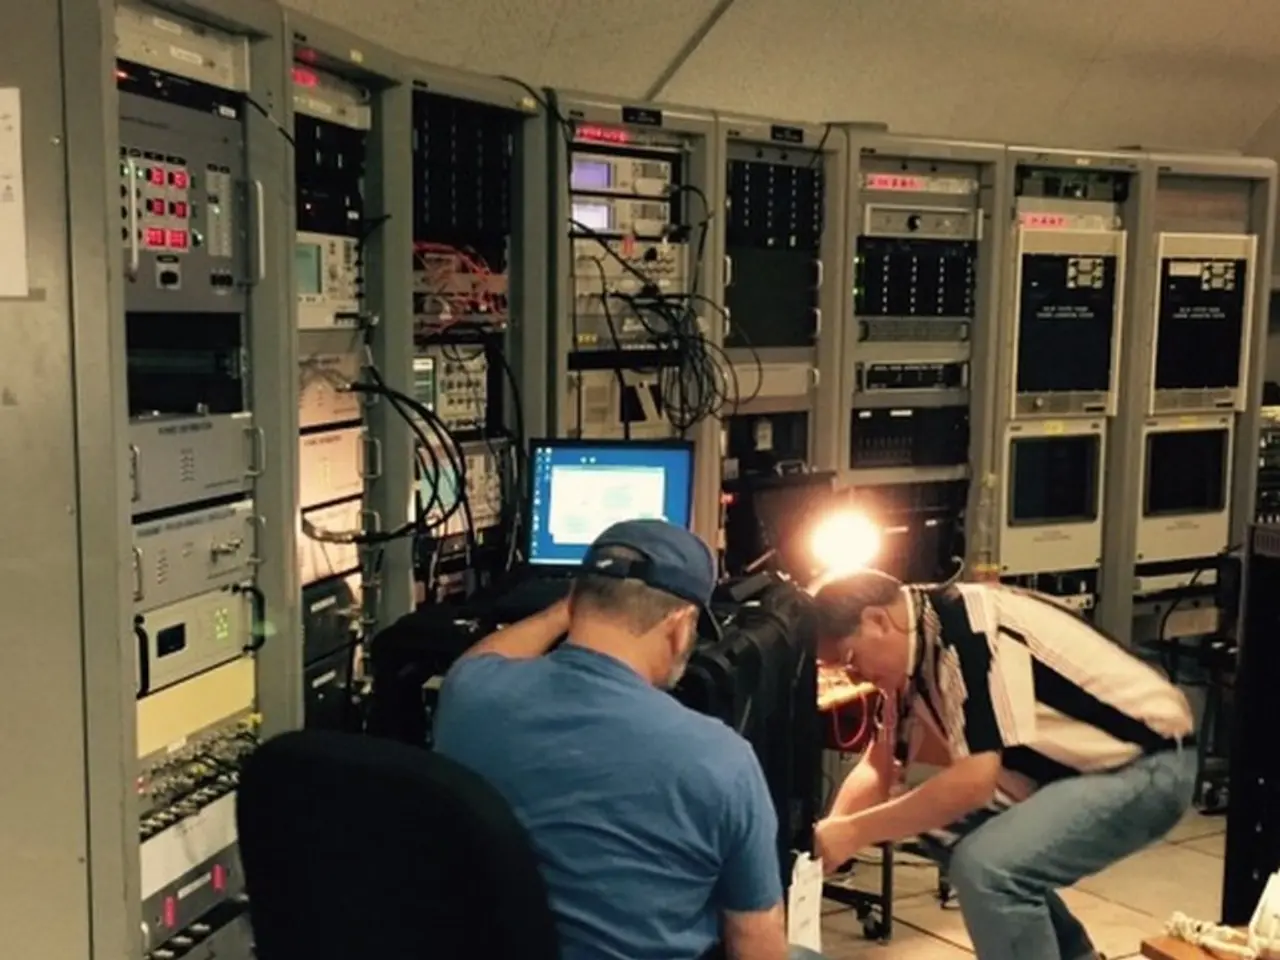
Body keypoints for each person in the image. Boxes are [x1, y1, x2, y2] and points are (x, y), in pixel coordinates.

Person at [434, 519, 821, 960]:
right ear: (680, 627)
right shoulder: (721, 759)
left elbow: (483, 655)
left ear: (576, 602)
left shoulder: (470, 693)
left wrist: (571, 607)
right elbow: (755, 944)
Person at [810, 570, 1197, 960]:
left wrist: (854, 832)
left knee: (989, 870)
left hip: (1147, 762)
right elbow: (878, 765)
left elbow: (975, 781)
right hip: (1079, 773)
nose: (853, 677)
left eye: (850, 660)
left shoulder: (967, 629)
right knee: (942, 830)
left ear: (877, 620)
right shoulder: (910, 656)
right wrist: (827, 844)